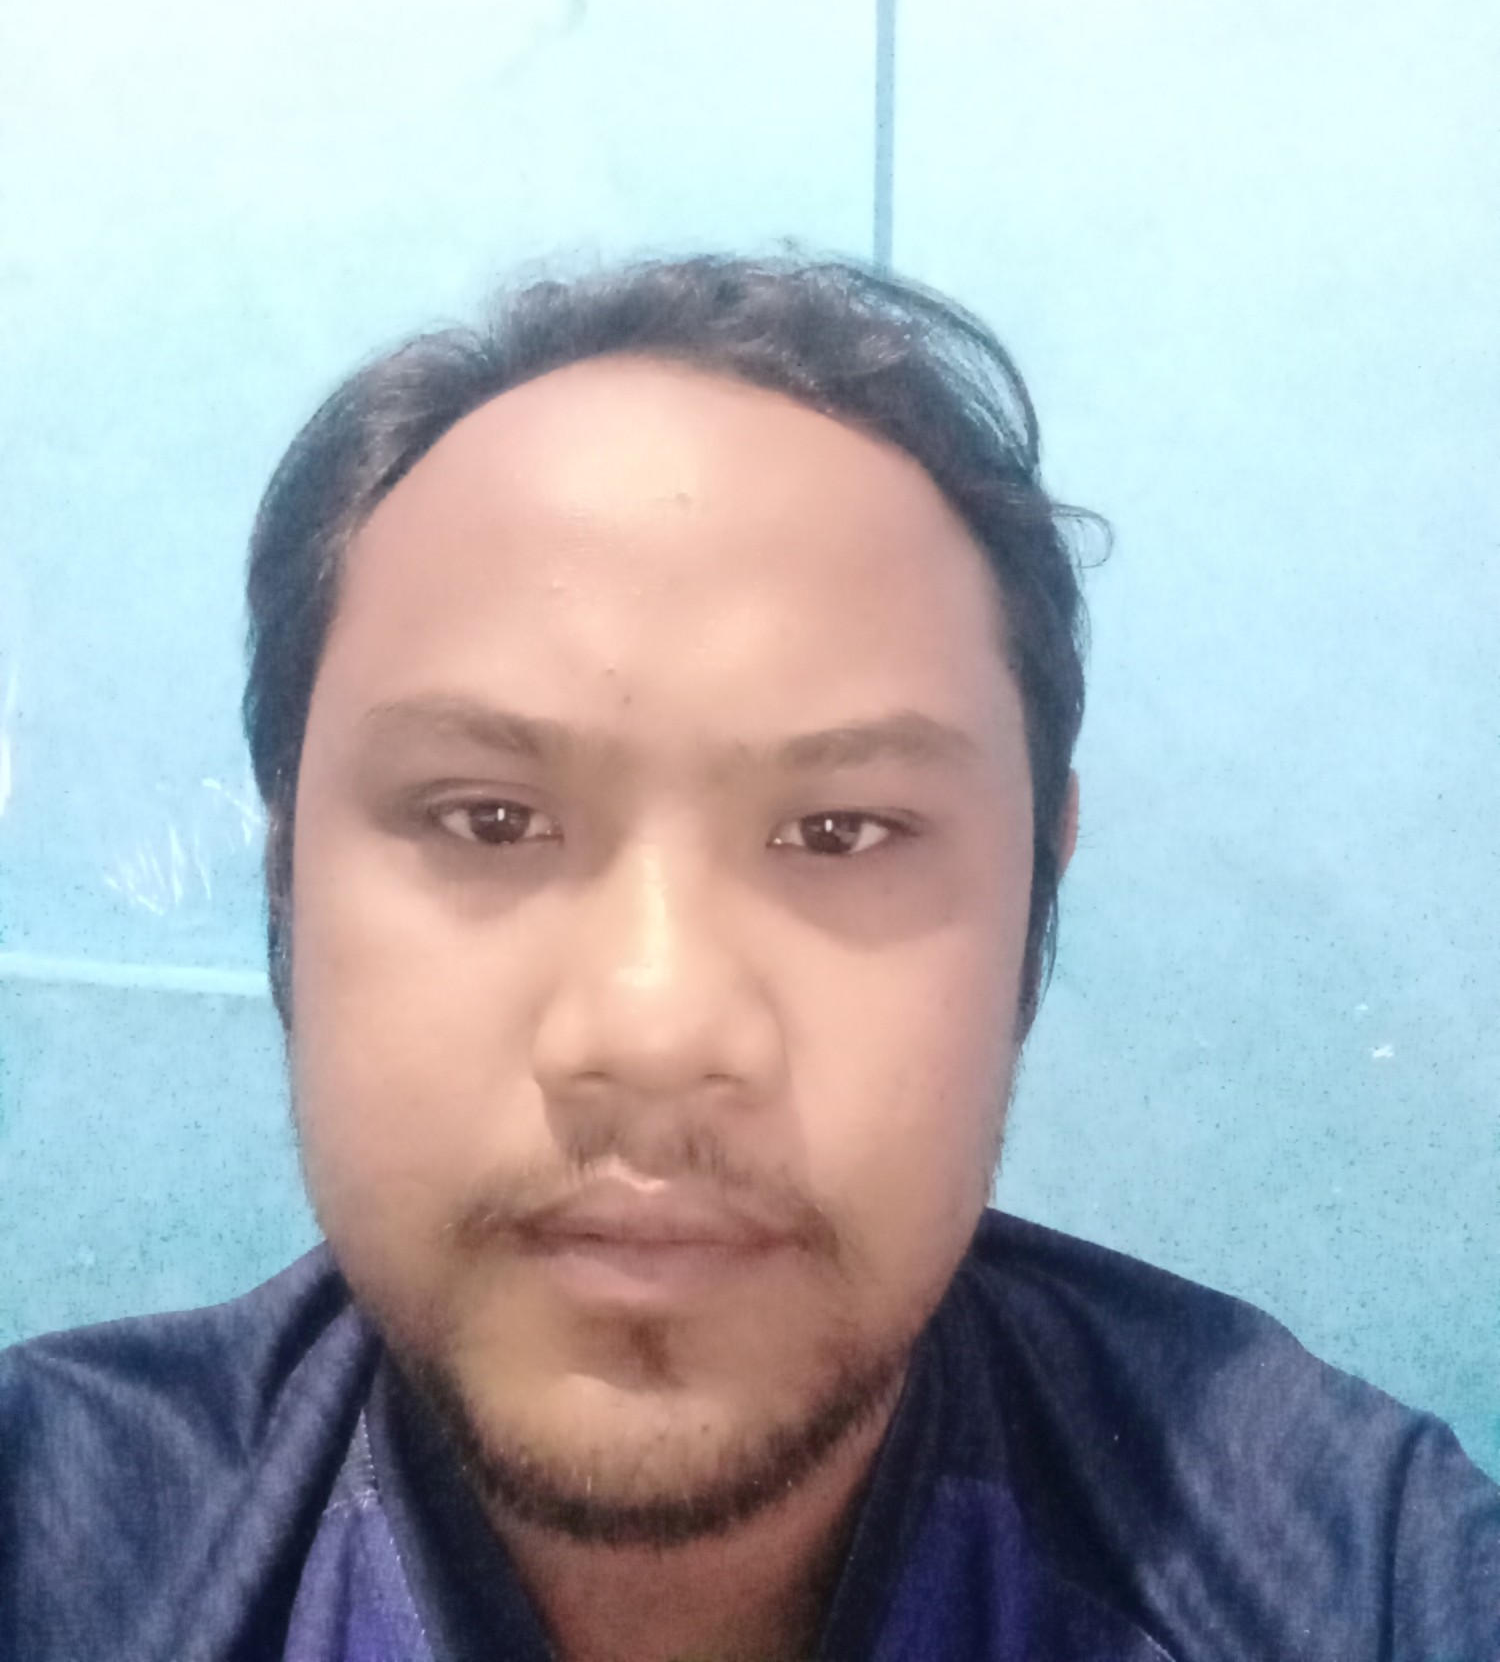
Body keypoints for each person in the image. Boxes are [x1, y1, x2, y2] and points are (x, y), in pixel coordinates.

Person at [1, 257, 1494, 1662]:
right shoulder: (62, 1549)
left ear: (1036, 894)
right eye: (488, 818)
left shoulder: (1348, 1576)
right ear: (288, 884)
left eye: (841, 832)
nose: (654, 1031)